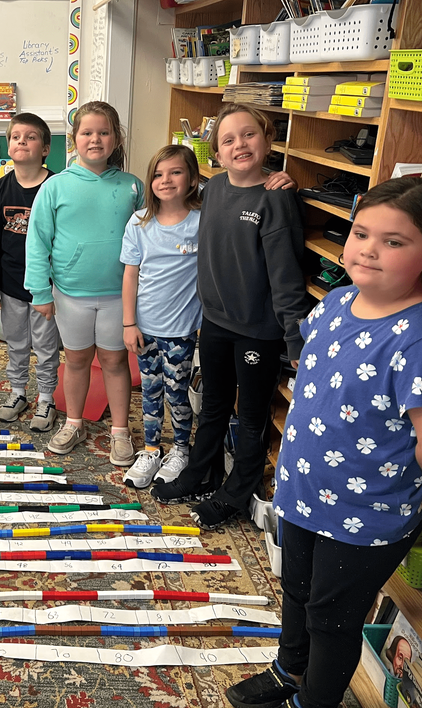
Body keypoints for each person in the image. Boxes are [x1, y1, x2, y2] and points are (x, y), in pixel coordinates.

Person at [225, 177, 422, 708]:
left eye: (394, 241)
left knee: (331, 619)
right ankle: (290, 669)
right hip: (306, 491)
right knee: (296, 590)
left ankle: (315, 699)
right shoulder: (337, 302)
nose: (369, 250)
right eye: (361, 234)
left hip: (364, 515)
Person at [152, 102, 308, 529]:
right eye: (228, 139)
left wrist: (295, 341)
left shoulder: (276, 199)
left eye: (249, 135)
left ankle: (237, 494)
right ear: (216, 154)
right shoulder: (214, 189)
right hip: (216, 323)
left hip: (257, 331)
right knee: (215, 404)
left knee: (252, 416)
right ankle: (200, 473)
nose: (239, 144)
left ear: (268, 140)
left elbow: (287, 278)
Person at [24, 101, 144, 466]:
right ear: (73, 139)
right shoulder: (54, 187)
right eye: (87, 132)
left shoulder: (132, 186)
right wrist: (40, 292)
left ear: (116, 138)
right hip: (70, 294)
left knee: (114, 361)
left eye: (104, 132)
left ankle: (120, 432)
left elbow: (150, 236)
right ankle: (74, 422)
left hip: (117, 297)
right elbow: (37, 241)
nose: (95, 139)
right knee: (75, 361)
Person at [119, 145, 202, 488]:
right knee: (150, 392)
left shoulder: (203, 221)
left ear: (193, 179)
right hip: (144, 329)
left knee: (178, 393)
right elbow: (130, 275)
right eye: (158, 174)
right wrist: (128, 323)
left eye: (176, 172)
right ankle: (152, 448)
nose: (165, 180)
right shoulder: (139, 222)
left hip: (182, 331)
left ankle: (181, 449)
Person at [0, 112, 60, 432]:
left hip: (46, 287)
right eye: (16, 137)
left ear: (45, 148)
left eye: (30, 137)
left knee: (45, 346)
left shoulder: (57, 186)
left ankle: (46, 398)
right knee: (15, 343)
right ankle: (18, 394)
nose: (22, 142)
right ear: (8, 144)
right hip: (11, 284)